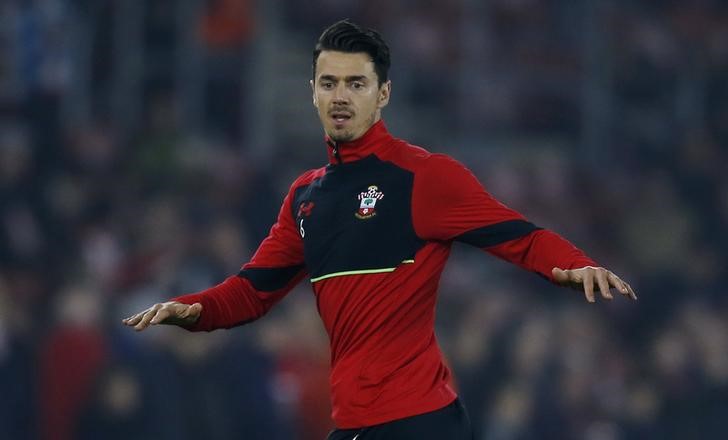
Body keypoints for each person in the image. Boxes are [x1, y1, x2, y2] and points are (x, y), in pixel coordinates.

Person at [123, 19, 637, 440]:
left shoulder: (425, 177)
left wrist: (575, 264)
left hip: (419, 420)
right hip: (354, 423)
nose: (340, 96)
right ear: (312, 93)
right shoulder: (305, 196)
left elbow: (519, 236)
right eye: (329, 83)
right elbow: (254, 292)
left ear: (384, 92)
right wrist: (195, 309)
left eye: (355, 83)